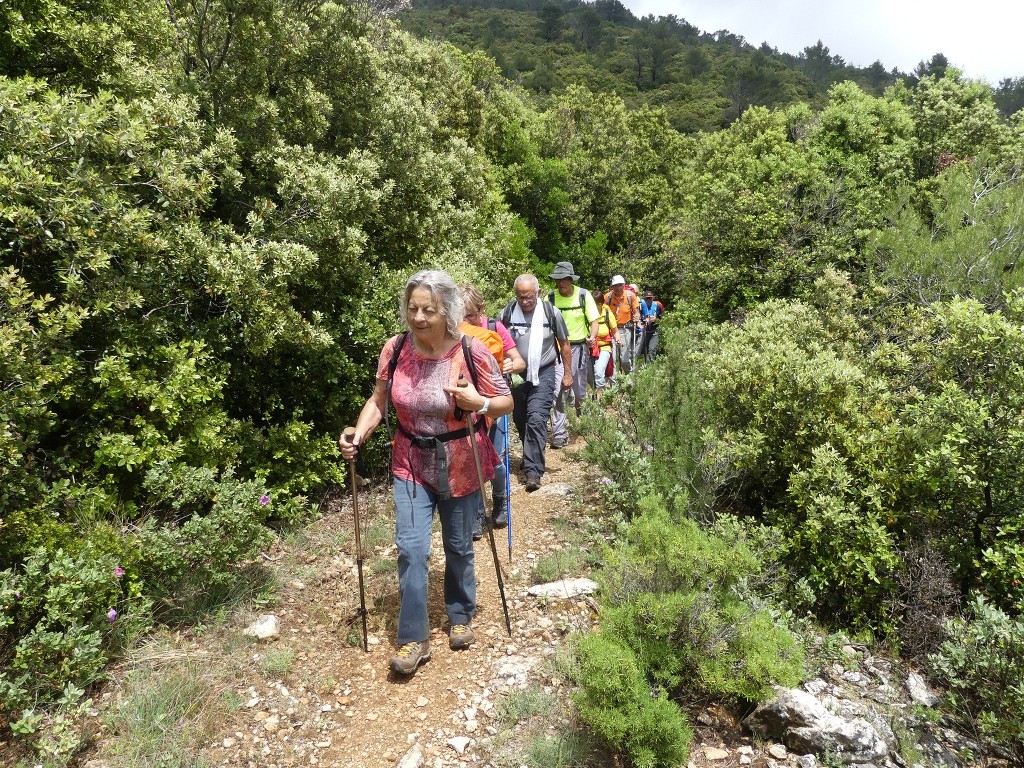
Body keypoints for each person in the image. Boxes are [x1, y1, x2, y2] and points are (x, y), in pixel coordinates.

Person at [339, 270, 513, 676]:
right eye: (412, 308)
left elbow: (504, 401)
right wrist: (358, 434)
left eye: (428, 310)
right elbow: (379, 399)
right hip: (410, 461)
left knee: (458, 546)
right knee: (412, 549)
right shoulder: (396, 348)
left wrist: (478, 403)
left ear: (447, 311)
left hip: (461, 460)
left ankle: (460, 612)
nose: (418, 317)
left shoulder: (471, 352)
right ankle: (413, 637)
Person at [460, 284, 525, 540]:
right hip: (467, 404)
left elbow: (518, 360)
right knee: (472, 460)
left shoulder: (494, 329)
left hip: (494, 403)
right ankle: (476, 513)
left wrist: (511, 364)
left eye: (471, 316)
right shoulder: (454, 332)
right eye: (461, 317)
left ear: (481, 310)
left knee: (495, 458)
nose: (466, 322)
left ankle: (500, 500)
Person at [499, 274, 571, 492]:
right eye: (520, 297)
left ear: (538, 293)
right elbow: (496, 341)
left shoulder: (551, 313)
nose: (525, 301)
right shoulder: (508, 313)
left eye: (529, 297)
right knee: (520, 419)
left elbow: (564, 344)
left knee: (536, 418)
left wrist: (568, 373)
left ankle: (533, 471)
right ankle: (531, 452)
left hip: (545, 370)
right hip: (517, 374)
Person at [546, 261, 599, 445]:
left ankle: (584, 417)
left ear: (571, 279)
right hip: (556, 349)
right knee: (559, 389)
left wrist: (592, 336)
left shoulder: (583, 295)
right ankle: (560, 433)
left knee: (578, 390)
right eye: (557, 280)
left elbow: (594, 321)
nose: (560, 283)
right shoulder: (550, 298)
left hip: (578, 347)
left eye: (564, 279)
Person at [606, 274, 639, 374]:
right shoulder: (608, 297)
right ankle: (615, 383)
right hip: (611, 330)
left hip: (625, 329)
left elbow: (636, 311)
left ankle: (628, 378)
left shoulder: (630, 295)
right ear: (612, 286)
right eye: (615, 285)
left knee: (624, 358)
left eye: (620, 285)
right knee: (613, 357)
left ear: (624, 285)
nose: (618, 288)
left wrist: (636, 316)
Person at [591, 290, 618, 392]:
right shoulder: (586, 313)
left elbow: (615, 331)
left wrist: (618, 340)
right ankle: (595, 395)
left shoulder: (607, 313)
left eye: (596, 303)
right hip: (589, 348)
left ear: (601, 303)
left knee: (598, 371)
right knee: (590, 376)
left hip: (604, 347)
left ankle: (601, 395)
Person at [637, 289, 665, 363]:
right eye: (647, 298)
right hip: (644, 332)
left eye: (650, 298)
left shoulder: (658, 306)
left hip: (654, 332)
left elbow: (664, 319)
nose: (648, 300)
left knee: (652, 349)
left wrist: (656, 320)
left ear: (653, 298)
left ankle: (650, 366)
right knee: (644, 350)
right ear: (644, 299)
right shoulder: (640, 306)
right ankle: (646, 367)